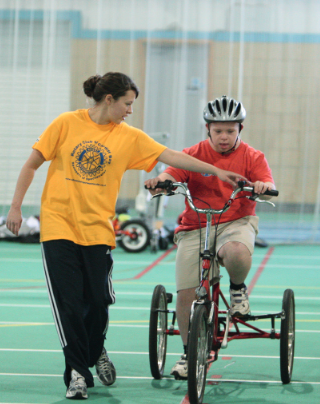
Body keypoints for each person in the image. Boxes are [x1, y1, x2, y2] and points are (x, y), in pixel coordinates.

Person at [5, 74, 247, 400]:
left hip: (98, 231)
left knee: (99, 302)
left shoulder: (128, 137)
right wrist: (15, 207)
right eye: (128, 103)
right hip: (58, 228)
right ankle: (77, 372)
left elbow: (171, 156)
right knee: (69, 305)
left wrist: (215, 170)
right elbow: (32, 165)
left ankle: (96, 350)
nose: (130, 111)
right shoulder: (65, 123)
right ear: (109, 100)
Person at [145, 95, 275, 380]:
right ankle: (188, 352)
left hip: (235, 220)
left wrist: (263, 186)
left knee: (237, 252)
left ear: (240, 128)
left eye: (230, 130)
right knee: (186, 294)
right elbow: (172, 171)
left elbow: (266, 183)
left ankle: (238, 288)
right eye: (218, 130)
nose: (224, 137)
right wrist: (163, 180)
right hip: (196, 224)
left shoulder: (253, 157)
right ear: (208, 129)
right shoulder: (194, 153)